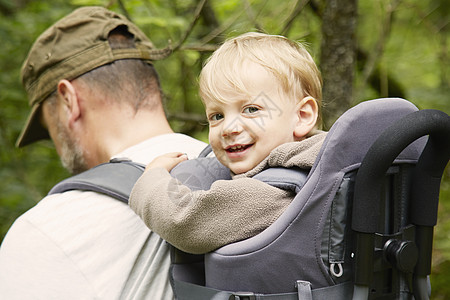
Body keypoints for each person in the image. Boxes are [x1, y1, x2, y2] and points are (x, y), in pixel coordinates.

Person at [0, 6, 206, 300]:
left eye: (50, 127)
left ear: (69, 100)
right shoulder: (250, 166)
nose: (58, 148)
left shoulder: (43, 232)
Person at [129, 32, 327, 254]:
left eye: (251, 110)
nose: (229, 128)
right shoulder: (321, 163)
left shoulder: (273, 190)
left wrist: (152, 178)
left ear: (302, 116)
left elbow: (185, 223)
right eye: (217, 116)